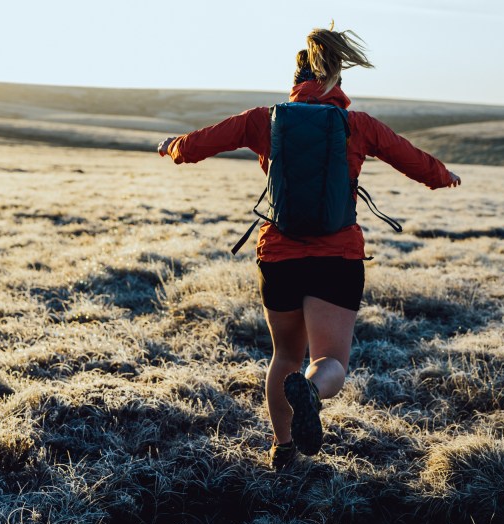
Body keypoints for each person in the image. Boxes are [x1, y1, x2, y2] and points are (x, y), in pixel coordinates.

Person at [158, 26, 461, 471]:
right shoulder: (357, 125)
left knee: (285, 355)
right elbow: (411, 158)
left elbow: (199, 143)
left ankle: (282, 447)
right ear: (336, 80)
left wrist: (172, 148)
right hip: (336, 258)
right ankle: (312, 393)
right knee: (329, 360)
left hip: (279, 256)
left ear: (295, 81)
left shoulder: (264, 119)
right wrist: (443, 176)